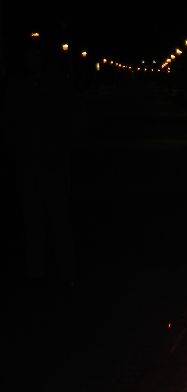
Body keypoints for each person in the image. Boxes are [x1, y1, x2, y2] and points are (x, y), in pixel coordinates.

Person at [1, 34, 77, 290]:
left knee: (57, 218)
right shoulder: (18, 86)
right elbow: (10, 122)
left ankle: (64, 270)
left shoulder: (54, 84)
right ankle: (38, 271)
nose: (32, 60)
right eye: (29, 56)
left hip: (52, 162)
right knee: (33, 219)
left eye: (36, 55)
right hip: (29, 162)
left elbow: (67, 119)